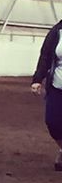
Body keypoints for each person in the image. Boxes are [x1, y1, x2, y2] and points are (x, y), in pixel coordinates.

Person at [31, 19, 62, 171]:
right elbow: (45, 56)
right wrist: (37, 79)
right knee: (52, 122)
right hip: (57, 85)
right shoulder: (57, 31)